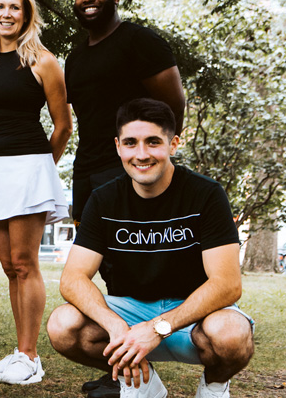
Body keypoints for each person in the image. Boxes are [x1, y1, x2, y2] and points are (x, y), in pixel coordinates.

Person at [47, 99, 254, 398]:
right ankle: (144, 383)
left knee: (232, 334)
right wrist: (116, 327)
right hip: (130, 311)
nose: (141, 154)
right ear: (118, 146)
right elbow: (73, 279)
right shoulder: (104, 199)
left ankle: (214, 387)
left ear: (173, 144)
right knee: (62, 325)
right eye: (131, 143)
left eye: (153, 142)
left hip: (194, 316)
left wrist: (158, 327)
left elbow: (227, 285)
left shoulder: (205, 194)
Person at [66, 0, 186, 394]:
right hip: (88, 165)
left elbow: (173, 102)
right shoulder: (77, 56)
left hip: (130, 163)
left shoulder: (140, 42)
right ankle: (126, 364)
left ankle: (143, 346)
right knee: (103, 264)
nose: (87, 0)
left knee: (133, 253)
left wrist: (151, 156)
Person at [0, 0, 72, 385]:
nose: (6, 14)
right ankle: (19, 351)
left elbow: (63, 125)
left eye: (15, 7)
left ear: (26, 15)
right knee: (9, 266)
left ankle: (30, 357)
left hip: (29, 166)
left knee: (27, 264)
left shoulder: (43, 61)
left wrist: (41, 168)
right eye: (0, 7)